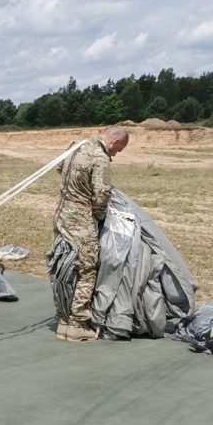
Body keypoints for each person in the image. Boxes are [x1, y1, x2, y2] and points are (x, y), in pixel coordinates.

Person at [52, 125, 130, 341]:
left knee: (62, 267)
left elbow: (60, 168)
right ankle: (77, 324)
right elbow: (102, 194)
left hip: (61, 216)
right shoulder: (100, 157)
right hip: (81, 221)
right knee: (86, 269)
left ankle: (63, 320)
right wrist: (100, 216)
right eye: (118, 150)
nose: (115, 154)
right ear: (114, 143)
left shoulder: (76, 146)